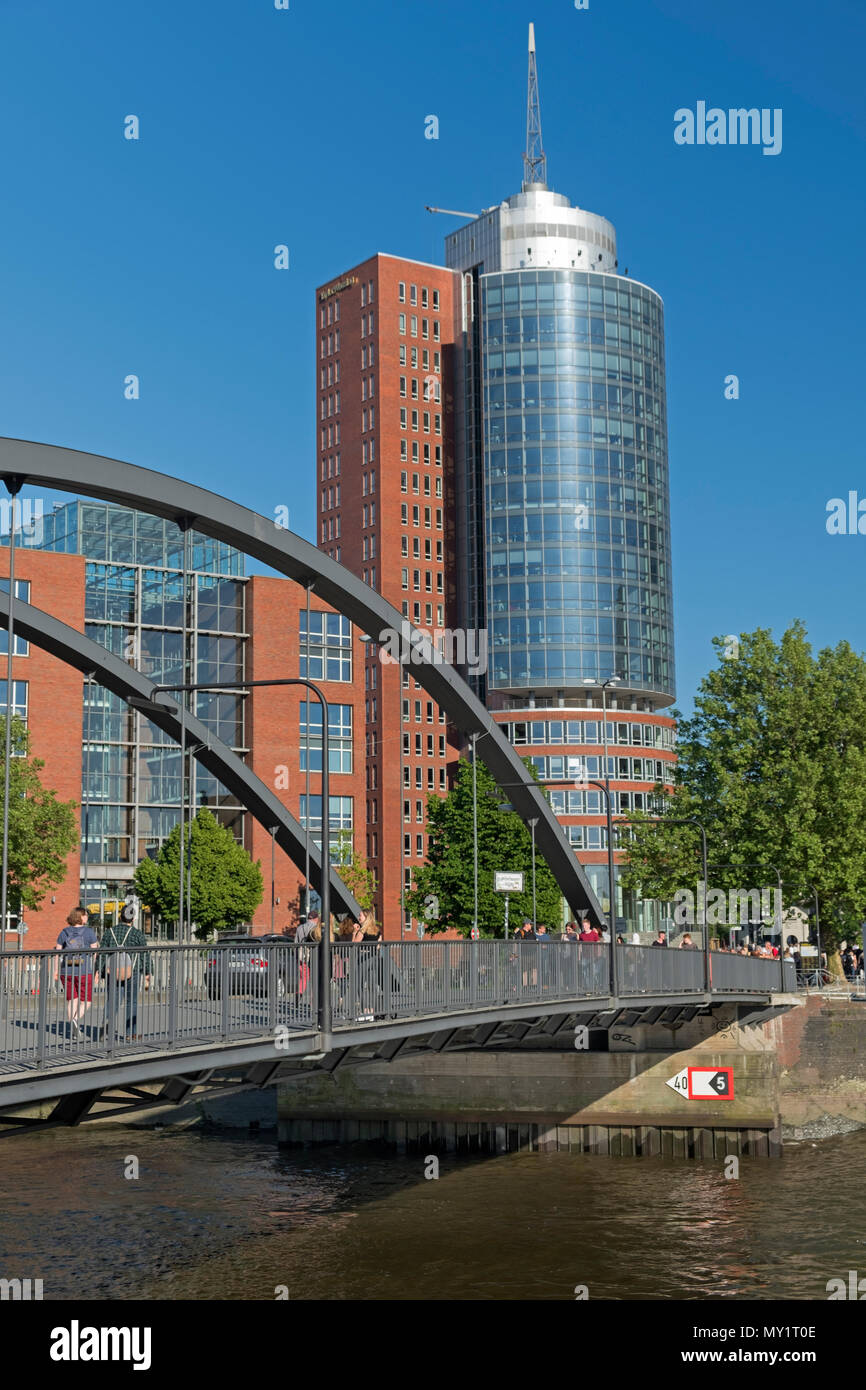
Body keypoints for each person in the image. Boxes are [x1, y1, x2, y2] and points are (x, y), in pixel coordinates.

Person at [99, 901, 152, 1041]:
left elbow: (102, 953)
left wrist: (100, 971)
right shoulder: (137, 934)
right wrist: (148, 971)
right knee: (131, 1001)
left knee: (113, 1000)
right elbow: (145, 954)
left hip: (113, 971)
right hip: (132, 971)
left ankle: (105, 1027)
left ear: (120, 917)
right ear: (133, 919)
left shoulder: (109, 932)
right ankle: (130, 1033)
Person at [54, 907, 100, 1038]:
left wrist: (56, 970)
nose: (87, 917)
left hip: (66, 971)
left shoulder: (64, 932)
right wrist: (96, 969)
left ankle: (73, 1027)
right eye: (86, 915)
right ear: (81, 916)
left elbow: (57, 952)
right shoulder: (89, 932)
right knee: (87, 1001)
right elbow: (95, 952)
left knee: (72, 1000)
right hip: (84, 971)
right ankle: (75, 1020)